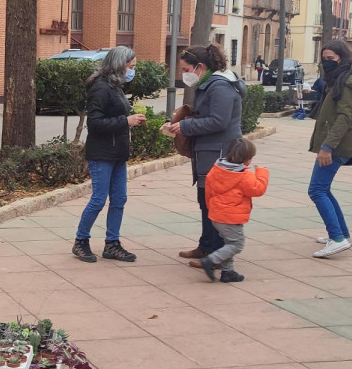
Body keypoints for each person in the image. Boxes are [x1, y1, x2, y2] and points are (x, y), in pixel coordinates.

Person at [162, 43, 246, 264]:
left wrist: (186, 127)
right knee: (205, 200)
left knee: (214, 203)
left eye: (186, 70)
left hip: (219, 152)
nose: (184, 75)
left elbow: (219, 121)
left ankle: (216, 253)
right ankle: (206, 246)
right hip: (208, 151)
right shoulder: (210, 84)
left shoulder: (220, 86)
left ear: (200, 66)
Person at [73, 46, 144, 263]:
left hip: (117, 153)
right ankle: (80, 241)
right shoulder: (101, 87)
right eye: (130, 66)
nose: (132, 69)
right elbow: (94, 123)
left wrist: (130, 119)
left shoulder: (116, 85)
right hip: (102, 154)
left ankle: (112, 244)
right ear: (119, 64)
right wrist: (126, 121)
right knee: (98, 199)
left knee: (119, 199)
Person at [309, 40, 352, 258]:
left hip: (337, 144)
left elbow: (344, 116)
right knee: (324, 189)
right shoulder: (337, 79)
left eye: (331, 59)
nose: (326, 62)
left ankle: (337, 238)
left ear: (342, 58)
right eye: (324, 58)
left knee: (317, 190)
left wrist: (327, 146)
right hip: (335, 142)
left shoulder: (347, 81)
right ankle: (342, 234)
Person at [199, 137, 269, 283]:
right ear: (247, 160)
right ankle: (211, 261)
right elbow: (258, 189)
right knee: (236, 244)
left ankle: (228, 272)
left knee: (228, 243)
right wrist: (262, 173)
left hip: (216, 215)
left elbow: (209, 192)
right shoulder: (244, 176)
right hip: (231, 218)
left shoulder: (216, 170)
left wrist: (211, 209)